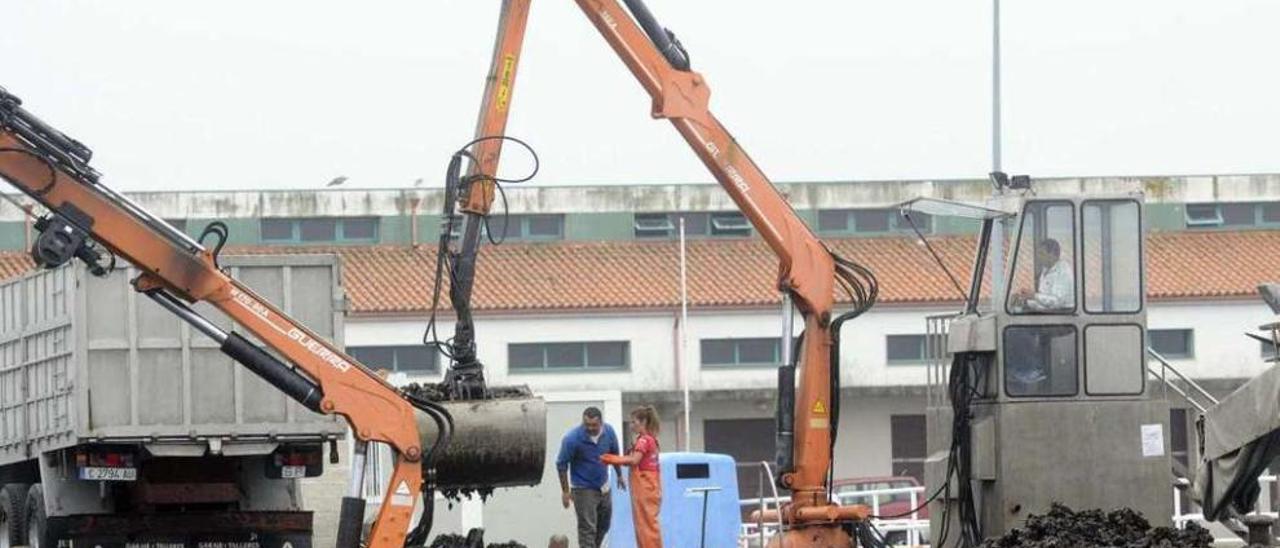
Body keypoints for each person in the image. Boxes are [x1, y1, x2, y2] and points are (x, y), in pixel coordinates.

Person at [556, 406, 624, 548]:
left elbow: (615, 454)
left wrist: (619, 475)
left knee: (604, 525)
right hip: (583, 489)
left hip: (603, 486)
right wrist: (565, 491)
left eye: (594, 425)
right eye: (587, 424)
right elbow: (561, 464)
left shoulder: (609, 432)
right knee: (587, 529)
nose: (590, 428)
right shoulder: (572, 439)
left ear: (601, 423)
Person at [602, 406, 663, 548]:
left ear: (643, 422)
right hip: (650, 488)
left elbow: (634, 460)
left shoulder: (644, 441)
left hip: (645, 487)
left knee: (646, 526)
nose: (631, 425)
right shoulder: (650, 439)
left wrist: (611, 459)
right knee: (645, 525)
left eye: (633, 422)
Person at [1012, 238, 1073, 312]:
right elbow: (1043, 303)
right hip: (1049, 314)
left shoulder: (1063, 272)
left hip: (1062, 316)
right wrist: (1025, 301)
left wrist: (1034, 296)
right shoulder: (1046, 270)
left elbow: (1057, 302)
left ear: (1053, 254)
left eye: (1042, 253)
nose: (1038, 257)